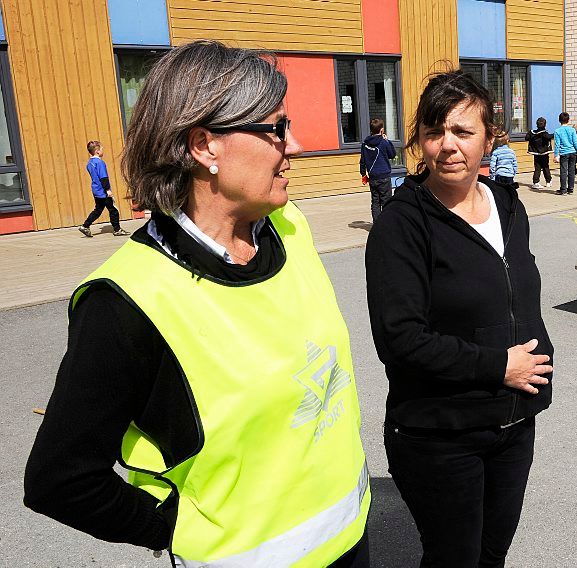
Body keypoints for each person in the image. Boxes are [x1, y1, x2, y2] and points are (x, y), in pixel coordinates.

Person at [24, 41, 371, 568]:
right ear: (205, 146)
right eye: (277, 129)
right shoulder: (126, 301)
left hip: (351, 538)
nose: (296, 146)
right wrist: (174, 529)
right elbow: (60, 479)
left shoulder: (288, 225)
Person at [365, 69, 554, 568]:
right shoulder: (402, 225)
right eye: (434, 132)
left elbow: (515, 297)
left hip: (514, 423)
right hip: (441, 435)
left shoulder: (508, 205)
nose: (447, 145)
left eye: (462, 131)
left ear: (490, 138)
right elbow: (400, 339)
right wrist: (499, 366)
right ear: (420, 141)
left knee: (492, 555)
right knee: (454, 559)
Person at [79, 140, 129, 237]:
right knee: (113, 210)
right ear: (97, 151)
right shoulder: (100, 163)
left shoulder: (89, 163)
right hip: (103, 191)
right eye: (102, 149)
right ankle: (117, 229)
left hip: (96, 190)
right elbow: (103, 178)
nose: (103, 151)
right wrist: (108, 190)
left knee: (98, 210)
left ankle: (85, 226)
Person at [361, 118, 398, 221]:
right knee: (386, 201)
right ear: (382, 130)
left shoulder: (365, 144)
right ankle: (386, 224)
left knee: (375, 202)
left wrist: (363, 174)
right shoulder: (383, 142)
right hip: (384, 177)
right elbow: (392, 155)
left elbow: (362, 161)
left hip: (372, 177)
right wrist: (387, 141)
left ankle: (377, 224)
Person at [553, 112, 577, 195]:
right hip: (573, 152)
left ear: (559, 120)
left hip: (564, 153)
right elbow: (576, 142)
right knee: (572, 171)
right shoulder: (572, 130)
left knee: (563, 171)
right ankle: (571, 189)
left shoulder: (557, 131)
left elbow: (557, 144)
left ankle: (563, 189)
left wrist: (556, 155)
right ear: (568, 120)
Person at [525, 116, 552, 190]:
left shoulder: (532, 133)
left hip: (536, 154)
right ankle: (548, 181)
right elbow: (549, 137)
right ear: (545, 125)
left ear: (536, 124)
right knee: (546, 167)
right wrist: (556, 133)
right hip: (544, 154)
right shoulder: (544, 133)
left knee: (537, 168)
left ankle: (536, 182)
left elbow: (526, 138)